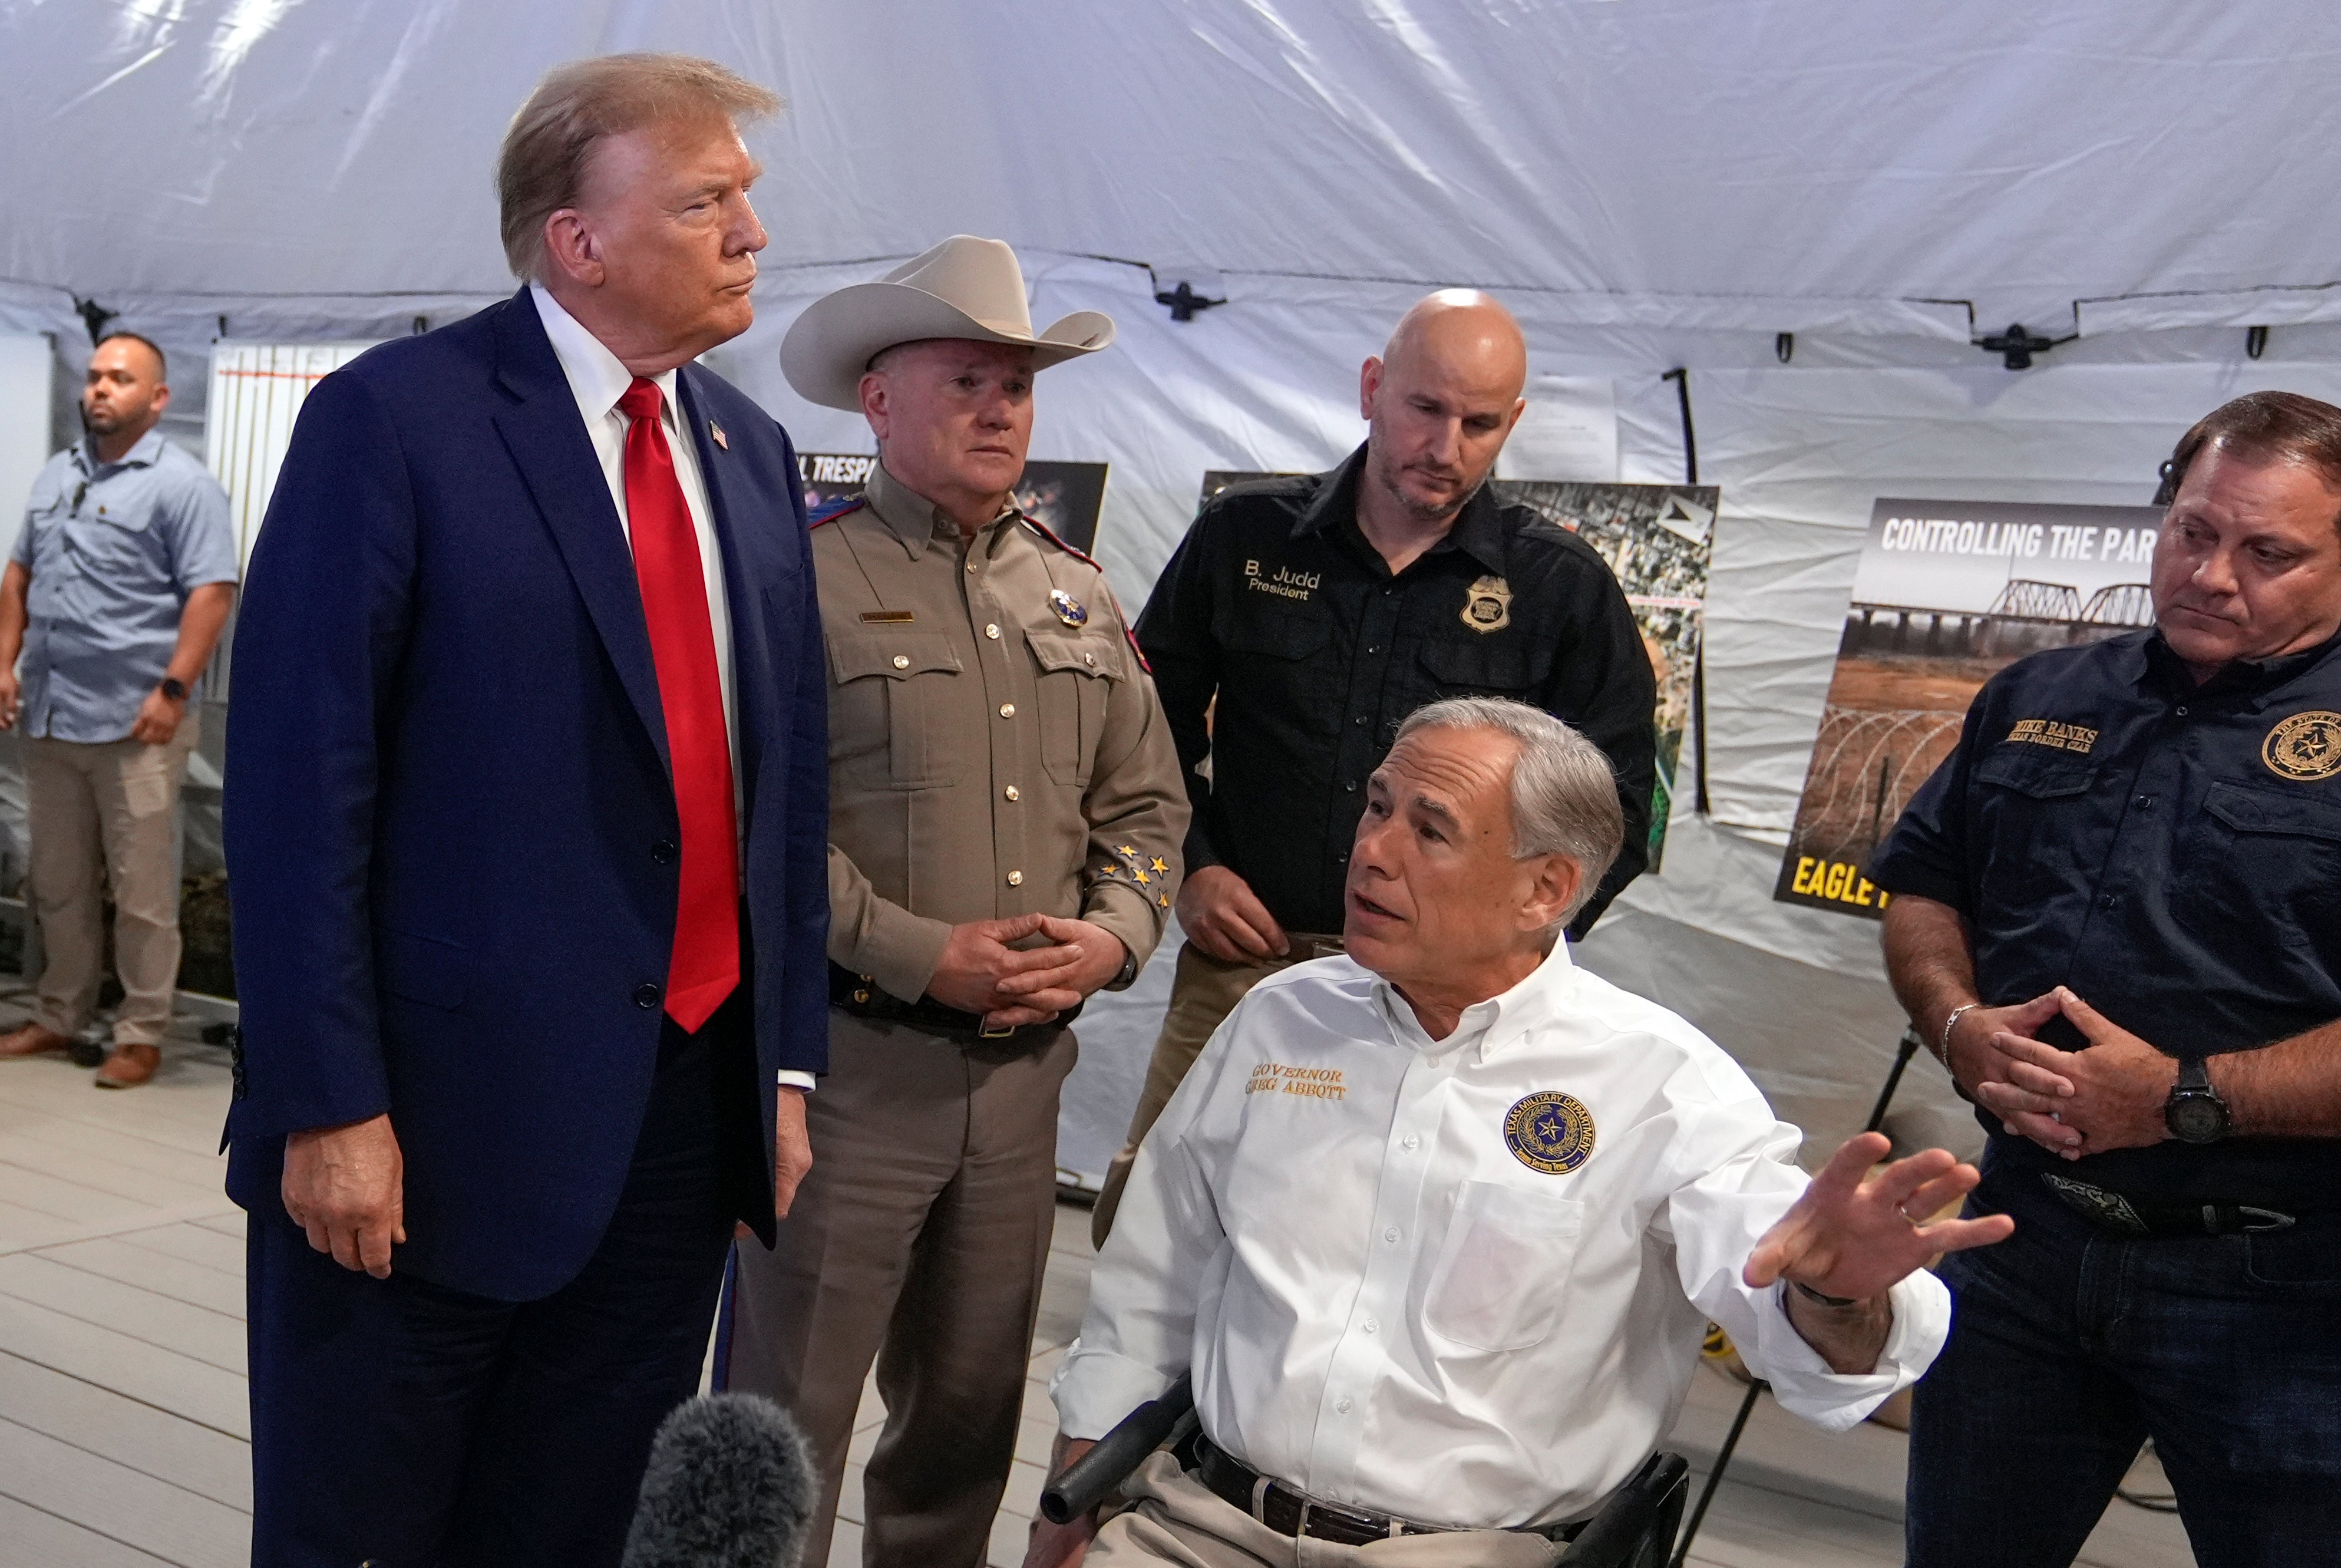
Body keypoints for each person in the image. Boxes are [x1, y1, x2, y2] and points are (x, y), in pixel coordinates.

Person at [220, 55, 826, 1567]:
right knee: (365, 1529)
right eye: (707, 201)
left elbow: (786, 791)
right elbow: (300, 792)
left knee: (576, 1526)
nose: (753, 233)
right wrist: (328, 1101)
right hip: (424, 1133)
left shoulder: (746, 455)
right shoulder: (400, 422)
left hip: (678, 1119)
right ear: (580, 238)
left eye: (748, 199)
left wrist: (788, 1068)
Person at [1028, 698, 2002, 1567]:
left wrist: (1832, 1290)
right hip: (1202, 1524)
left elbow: (1797, 1333)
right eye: (1376, 807)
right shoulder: (1283, 1019)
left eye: (1431, 829)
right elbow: (1152, 1280)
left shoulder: (1659, 1082)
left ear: (1545, 889)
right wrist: (1075, 1485)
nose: (1373, 849)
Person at [719, 235, 1190, 1568]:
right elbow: (748, 828)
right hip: (842, 1071)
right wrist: (923, 955)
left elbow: (1147, 806)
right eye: (969, 379)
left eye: (1019, 387)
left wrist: (1112, 934)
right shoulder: (797, 579)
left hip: (1021, 1080)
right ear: (877, 396)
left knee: (965, 1425)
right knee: (780, 1425)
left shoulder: (1075, 592)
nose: (1001, 410)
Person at [1873, 390, 2341, 1568]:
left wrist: (2188, 1094)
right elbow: (1926, 886)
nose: (2212, 574)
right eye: (2192, 531)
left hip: (2281, 1275)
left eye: (2267, 551)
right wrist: (1958, 1022)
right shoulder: (2039, 697)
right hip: (2021, 1236)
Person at [1091, 289, 1658, 1245]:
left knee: (1379, 1257)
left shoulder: (1559, 589)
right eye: (1424, 409)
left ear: (1511, 424)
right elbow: (1136, 731)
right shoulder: (1246, 539)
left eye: (1480, 424)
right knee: (1159, 1234)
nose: (1446, 445)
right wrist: (1188, 869)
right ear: (1371, 389)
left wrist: (1499, 962)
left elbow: (1618, 818)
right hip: (1246, 968)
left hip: (1442, 1007)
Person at [0, 332, 236, 1088]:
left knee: (142, 890)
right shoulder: (57, 475)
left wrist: (172, 693)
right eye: (94, 377)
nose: (98, 389)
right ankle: (60, 1015)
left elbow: (213, 591)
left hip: (137, 722)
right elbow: (19, 575)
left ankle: (141, 1029)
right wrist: (4, 665)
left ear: (158, 399)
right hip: (52, 715)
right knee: (57, 880)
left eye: (119, 379)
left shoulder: (182, 485)